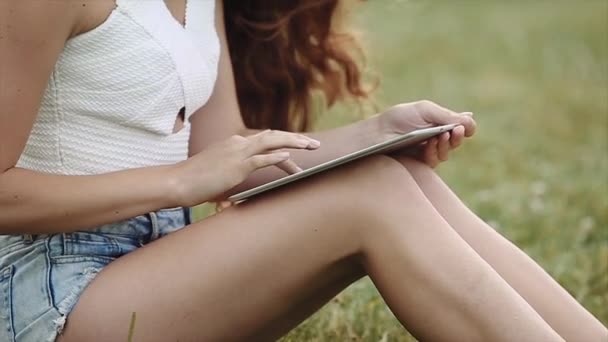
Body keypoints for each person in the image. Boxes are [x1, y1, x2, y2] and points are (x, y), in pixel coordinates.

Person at [0, 0, 605, 341]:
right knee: (368, 197)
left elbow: (228, 156)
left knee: (395, 175)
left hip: (147, 262)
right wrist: (179, 185)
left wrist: (376, 135)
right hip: (43, 293)